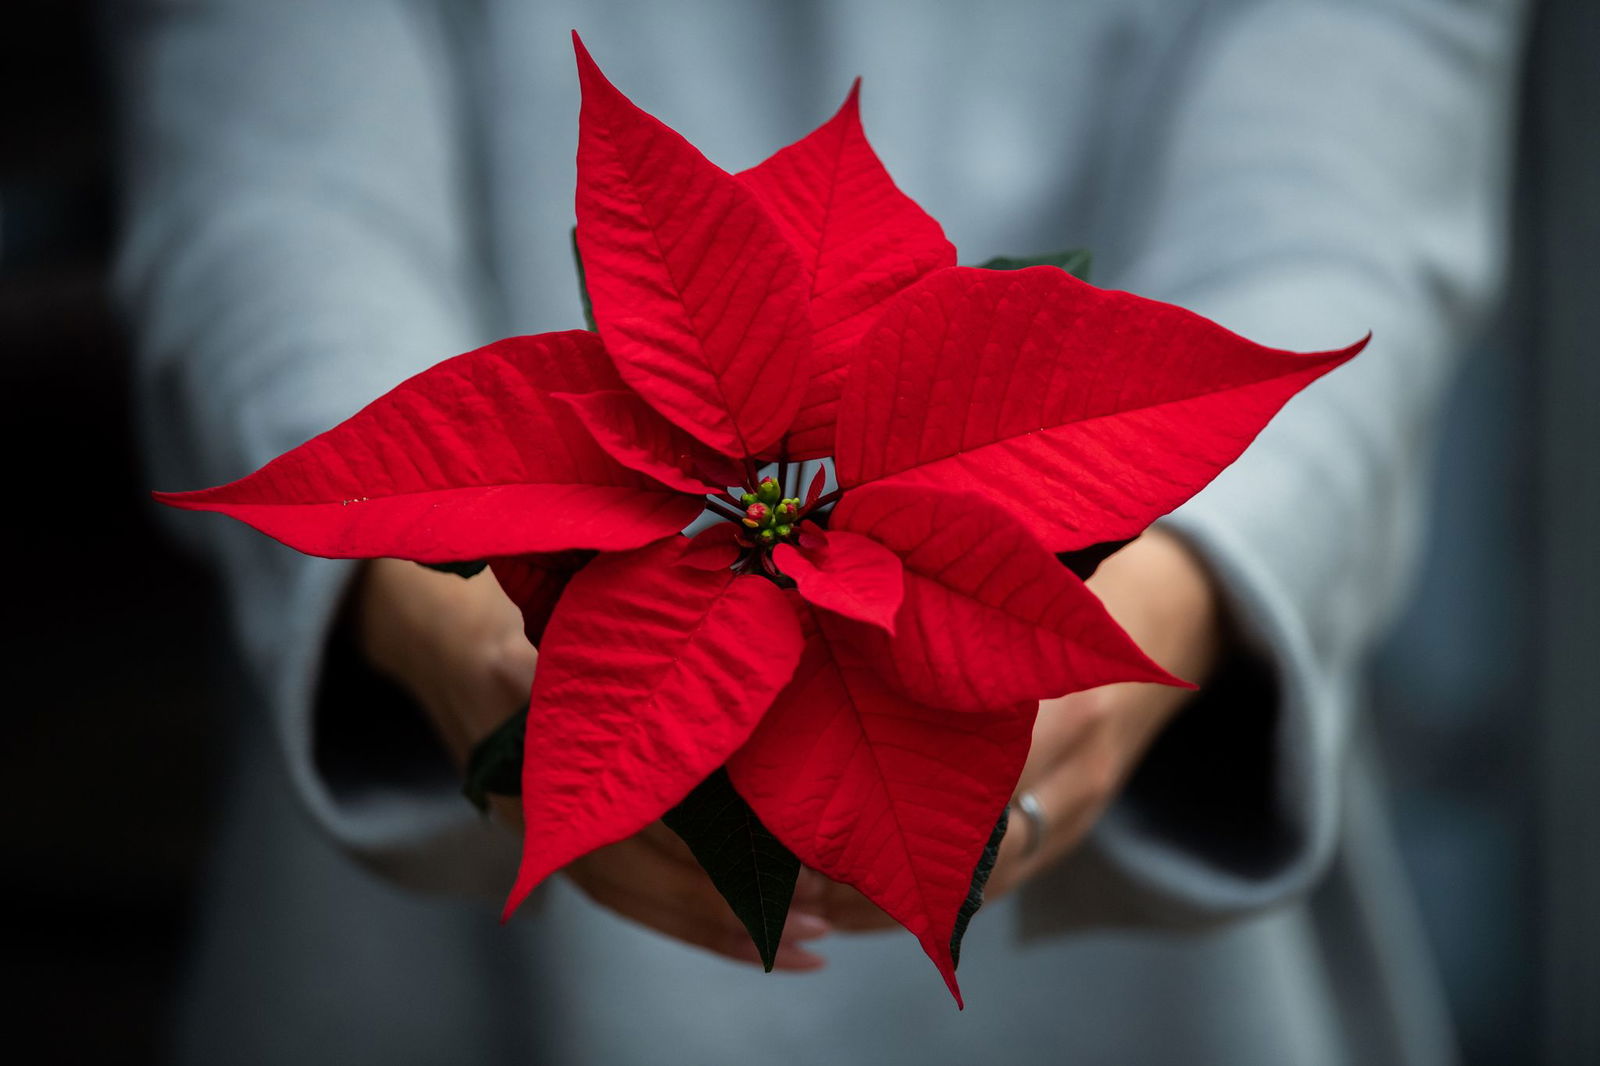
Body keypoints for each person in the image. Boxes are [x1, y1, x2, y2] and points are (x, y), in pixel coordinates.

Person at [111, 1, 1528, 1063]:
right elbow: (277, 195)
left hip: (1134, 983)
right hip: (448, 947)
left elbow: (1339, 220)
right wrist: (431, 616)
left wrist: (1172, 601)